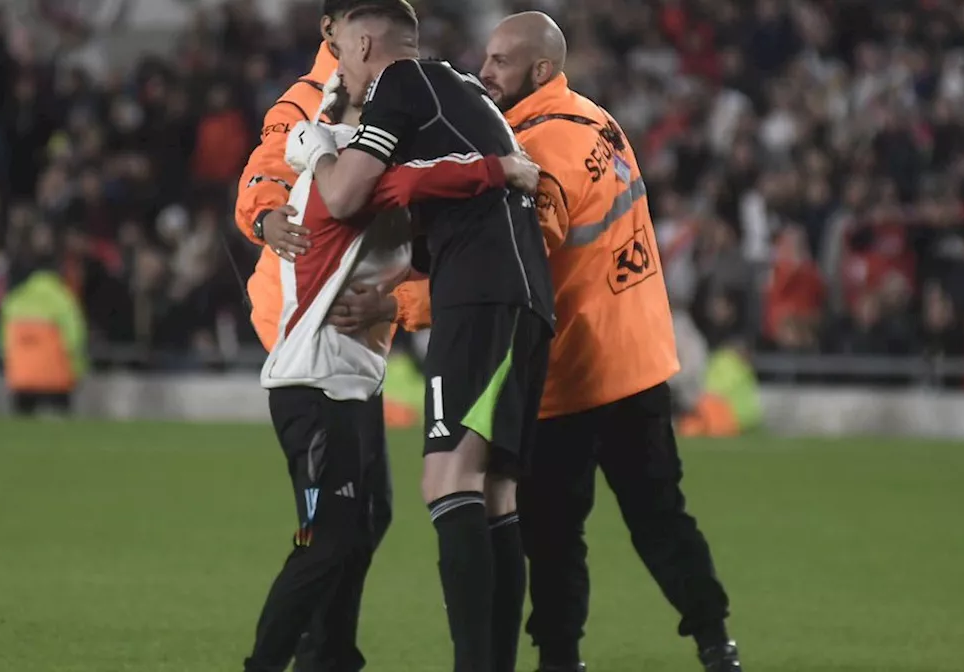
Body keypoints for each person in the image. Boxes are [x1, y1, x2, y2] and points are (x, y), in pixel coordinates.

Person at [285, 3, 556, 671]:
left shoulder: (400, 84)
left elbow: (346, 196)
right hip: (520, 297)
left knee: (446, 478)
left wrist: (317, 145)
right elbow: (446, 208)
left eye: (343, 49)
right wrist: (392, 287)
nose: (341, 66)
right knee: (492, 488)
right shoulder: (458, 91)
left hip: (482, 296)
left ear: (368, 41)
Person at [477, 13, 742, 672]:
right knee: (660, 517)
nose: (484, 72)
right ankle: (716, 642)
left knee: (555, 535)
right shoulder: (596, 118)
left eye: (500, 62)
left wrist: (404, 298)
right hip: (640, 362)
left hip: (573, 373)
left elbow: (518, 260)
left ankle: (561, 660)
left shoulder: (538, 149)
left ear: (538, 70)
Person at [233, 2, 433, 667]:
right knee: (335, 530)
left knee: (363, 521)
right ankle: (319, 656)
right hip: (308, 341)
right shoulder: (315, 104)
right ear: (337, 31)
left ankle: (330, 655)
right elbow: (265, 169)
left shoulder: (401, 95)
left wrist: (401, 300)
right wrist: (264, 217)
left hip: (354, 353)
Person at [0, 257, 88, 417]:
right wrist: (78, 370)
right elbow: (75, 339)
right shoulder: (64, 298)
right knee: (61, 430)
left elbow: (4, 343)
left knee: (22, 429)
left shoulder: (15, 299)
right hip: (55, 376)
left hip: (21, 377)